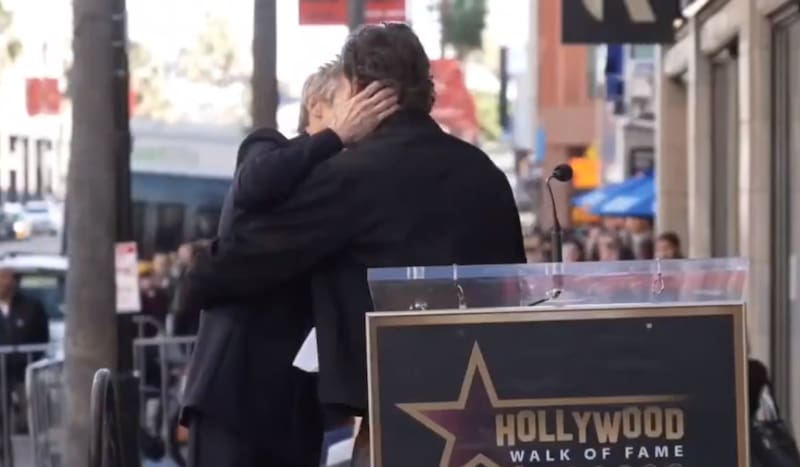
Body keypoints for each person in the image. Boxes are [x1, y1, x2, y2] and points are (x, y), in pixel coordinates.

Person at [184, 23, 525, 464]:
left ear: (362, 91)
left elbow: (244, 258)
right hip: (486, 419)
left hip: (397, 419)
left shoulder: (354, 176)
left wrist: (197, 278)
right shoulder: (487, 176)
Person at [180, 60, 398, 467]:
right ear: (317, 105)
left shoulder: (345, 183)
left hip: (293, 407)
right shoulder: (269, 148)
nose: (366, 118)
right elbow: (255, 183)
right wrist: (336, 136)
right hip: (234, 394)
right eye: (357, 104)